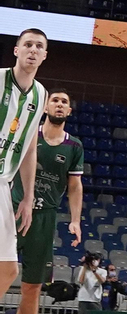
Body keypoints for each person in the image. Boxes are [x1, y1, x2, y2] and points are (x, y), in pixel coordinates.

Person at [13, 90, 83, 314]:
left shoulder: (74, 146)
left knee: (33, 285)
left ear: (69, 111)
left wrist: (75, 220)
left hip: (44, 218)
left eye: (64, 102)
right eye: (55, 100)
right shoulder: (29, 134)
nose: (60, 104)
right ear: (45, 107)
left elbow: (74, 186)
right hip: (14, 210)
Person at [0, 29, 51, 306]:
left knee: (8, 270)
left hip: (3, 186)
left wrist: (28, 197)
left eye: (39, 46)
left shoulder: (41, 94)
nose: (33, 49)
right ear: (16, 50)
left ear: (44, 56)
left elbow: (30, 148)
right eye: (28, 44)